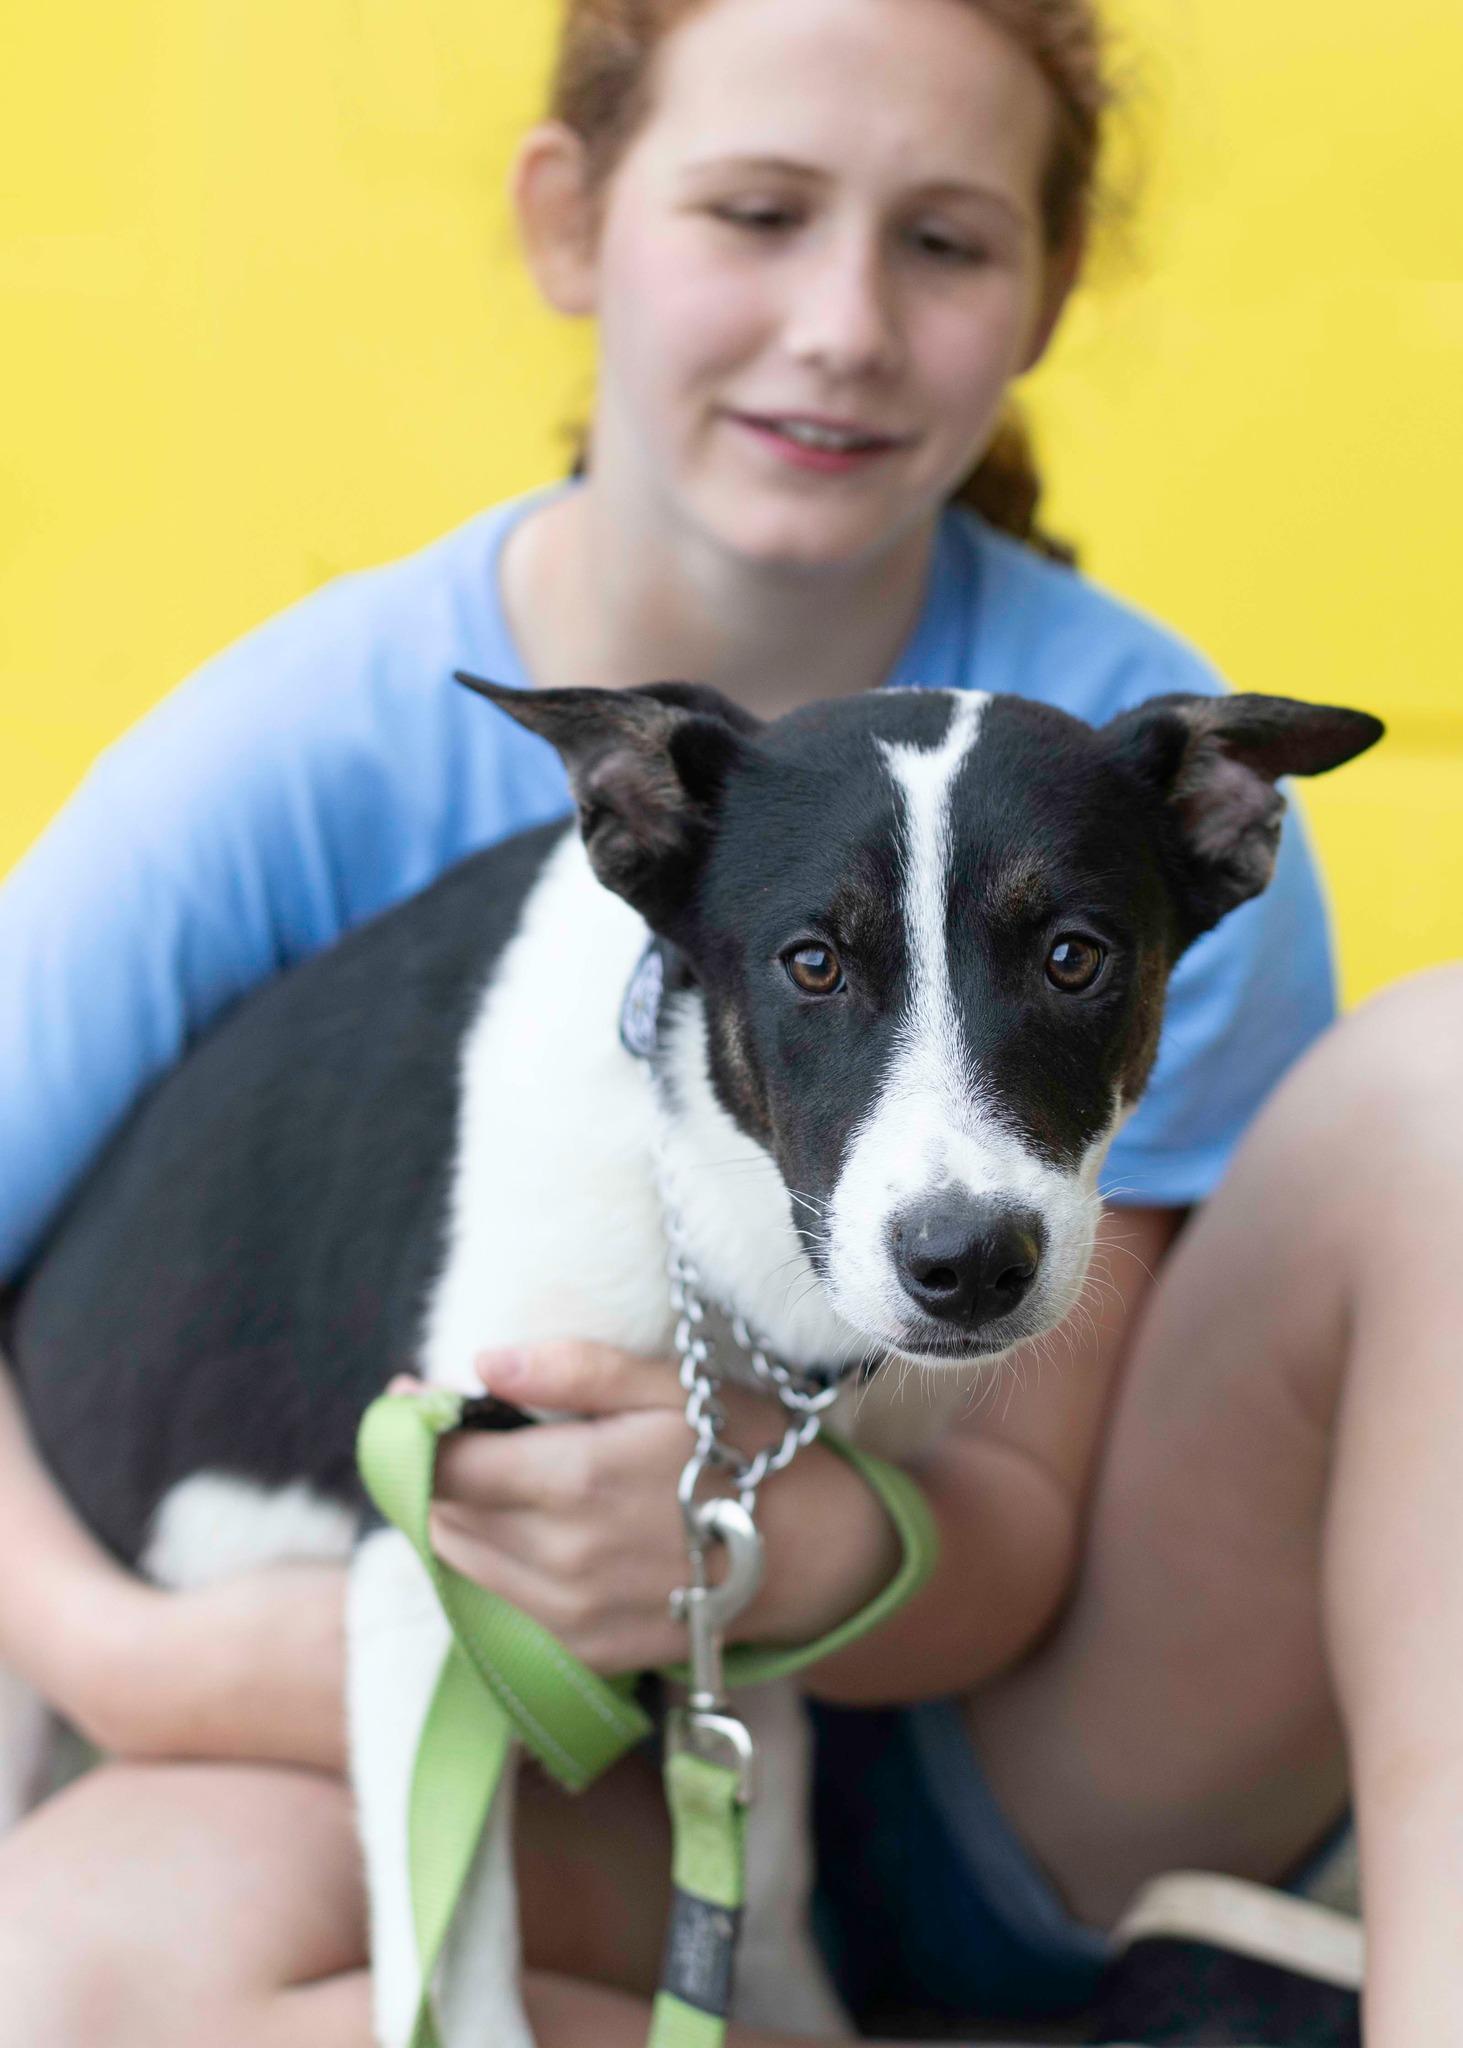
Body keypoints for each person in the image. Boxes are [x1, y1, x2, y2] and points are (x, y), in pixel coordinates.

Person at [0, 0, 1459, 2041]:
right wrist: (114, 1652)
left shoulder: (1125, 761)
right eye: (760, 210)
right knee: (60, 1974)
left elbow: (1030, 1518)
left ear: (1050, 290)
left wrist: (762, 1559)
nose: (844, 320)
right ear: (572, 221)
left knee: (1450, 1087)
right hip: (481, 1716)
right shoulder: (306, 745)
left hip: (991, 1745)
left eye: (944, 241)